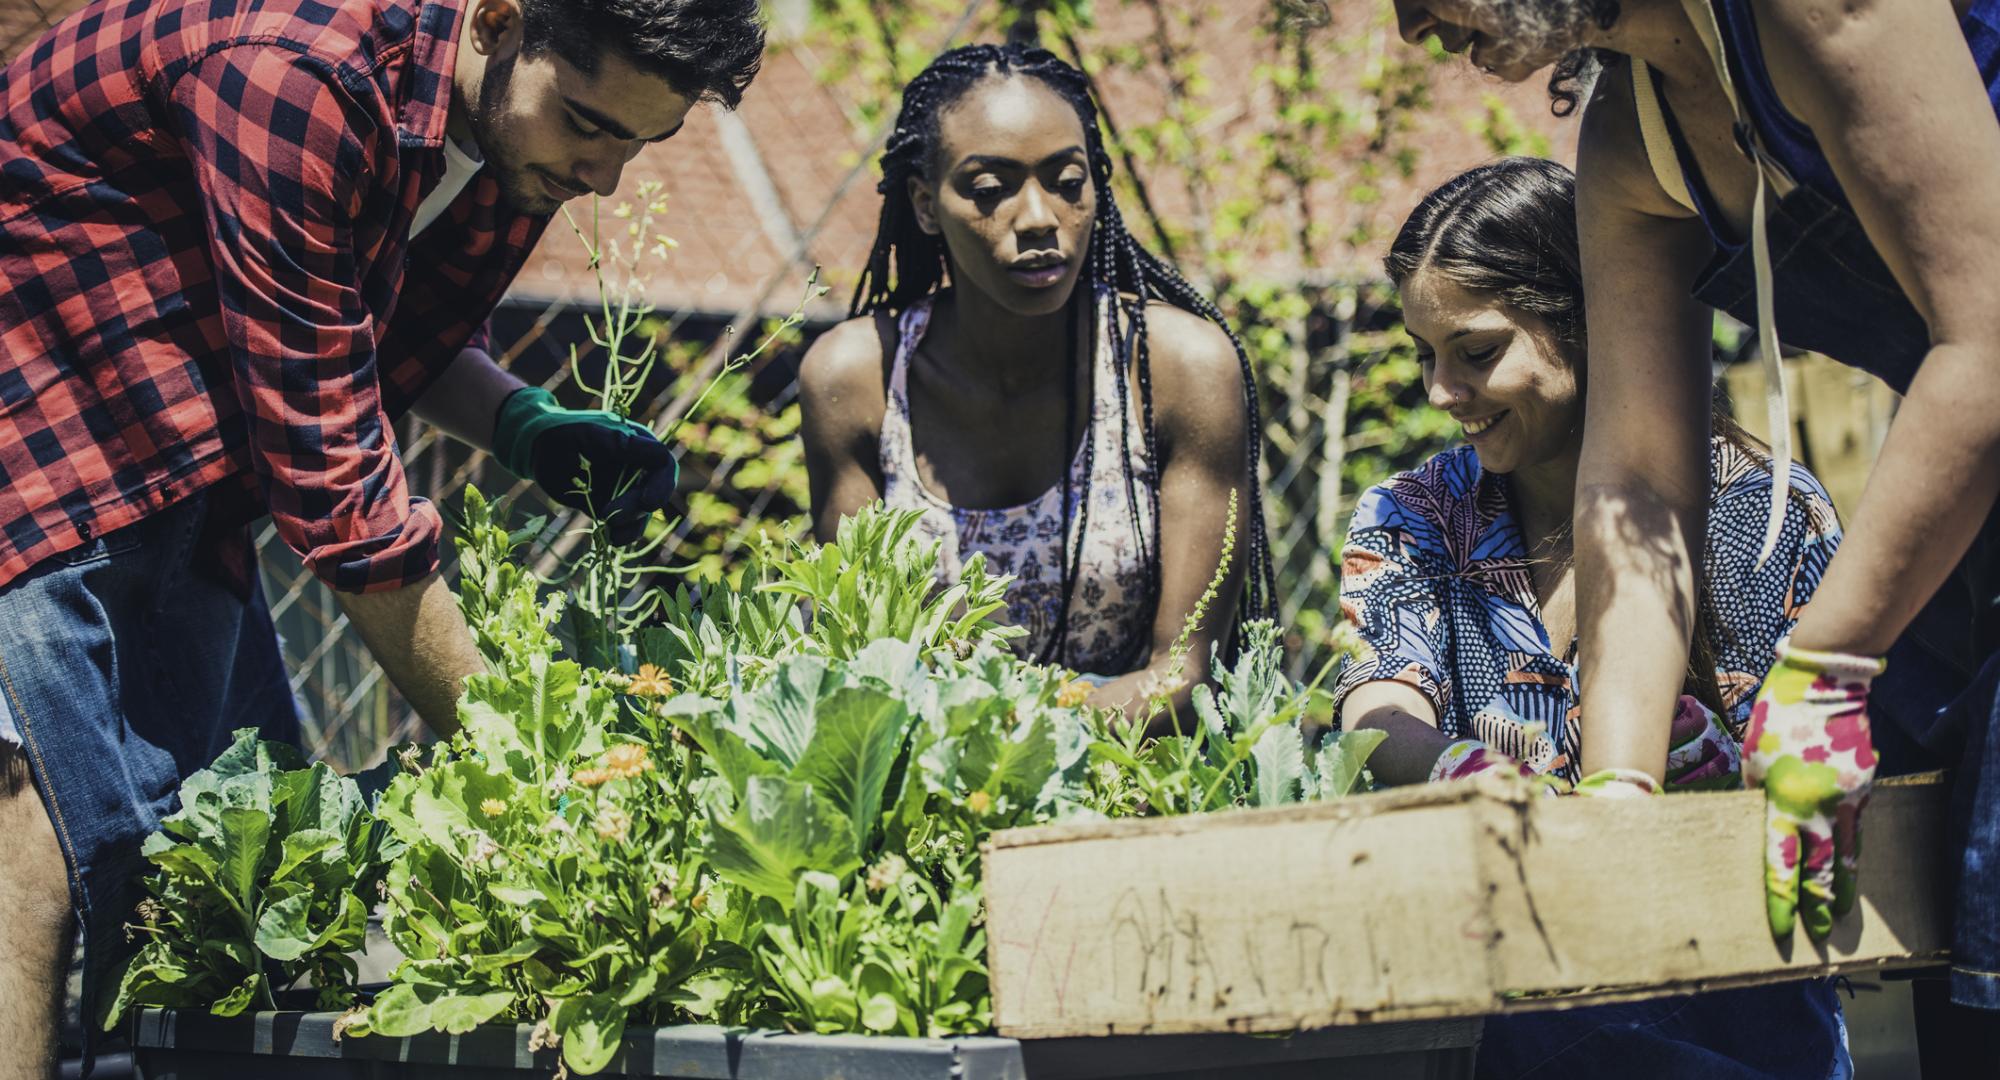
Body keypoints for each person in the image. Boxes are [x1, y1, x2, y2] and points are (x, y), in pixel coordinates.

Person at [0, 0, 765, 1073]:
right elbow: (336, 492)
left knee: (235, 876)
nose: (605, 176)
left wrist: (519, 421)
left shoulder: (512, 137)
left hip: (186, 488)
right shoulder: (293, 78)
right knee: (34, 842)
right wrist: (526, 764)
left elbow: (374, 328)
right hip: (39, 447)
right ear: (501, 20)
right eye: (590, 124)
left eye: (643, 142)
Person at [1387, 0, 2000, 1046]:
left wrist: (1828, 664)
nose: (1410, 26)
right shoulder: (1632, 135)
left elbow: (1986, 341)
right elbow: (1632, 488)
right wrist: (1619, 791)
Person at [1336, 155, 1850, 1080]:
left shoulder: (1767, 516)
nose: (1441, 392)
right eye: (1425, 355)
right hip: (1513, 978)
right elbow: (1375, 707)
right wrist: (1453, 763)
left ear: (1587, 319)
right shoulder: (1416, 516)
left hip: (1740, 982)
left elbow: (1820, 776)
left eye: (1477, 352)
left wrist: (1727, 775)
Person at [798, 42, 1275, 717]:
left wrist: (1013, 747)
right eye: (990, 189)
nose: (1039, 218)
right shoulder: (859, 379)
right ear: (926, 204)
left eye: (1067, 181)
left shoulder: (1177, 369)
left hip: (1136, 784)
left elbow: (1182, 676)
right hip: (925, 795)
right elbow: (850, 651)